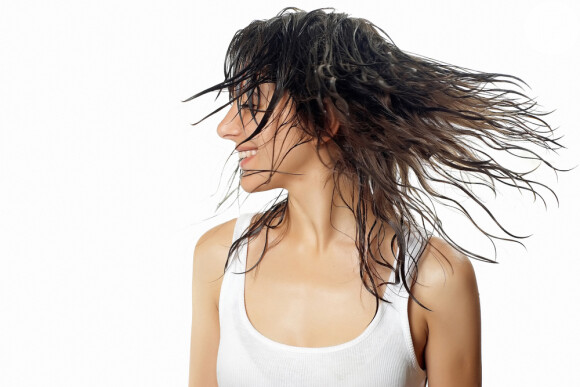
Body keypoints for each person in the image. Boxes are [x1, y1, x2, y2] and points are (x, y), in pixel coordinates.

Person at [185, 7, 568, 387]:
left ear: (324, 118)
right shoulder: (220, 259)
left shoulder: (433, 280)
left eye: (251, 106)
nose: (226, 127)